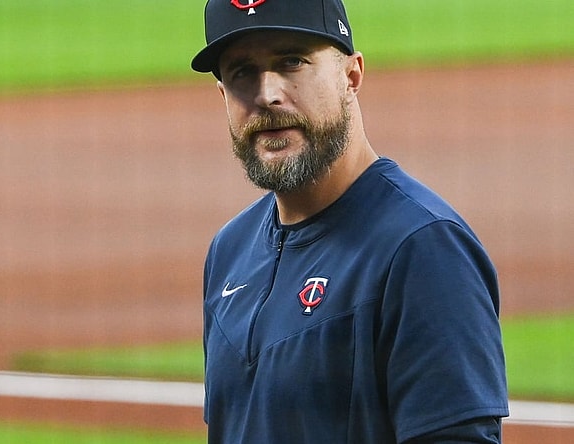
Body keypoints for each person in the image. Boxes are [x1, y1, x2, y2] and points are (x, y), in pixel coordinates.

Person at [191, 0, 509, 442]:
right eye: (242, 71)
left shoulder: (422, 248)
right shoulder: (230, 250)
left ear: (351, 76)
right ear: (223, 96)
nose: (267, 94)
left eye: (292, 61)